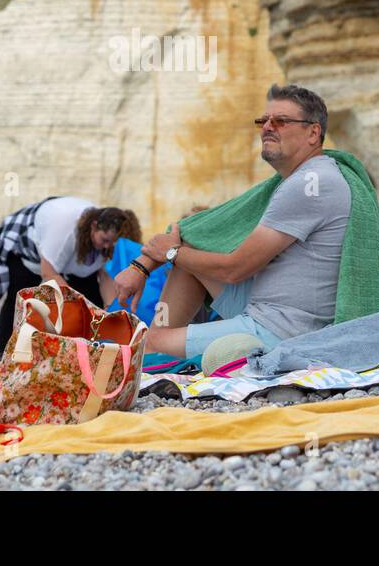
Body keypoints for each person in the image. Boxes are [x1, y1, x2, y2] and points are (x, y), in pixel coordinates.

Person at [113, 84, 352, 359]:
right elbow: (201, 231)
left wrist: (170, 254)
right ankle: (165, 345)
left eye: (281, 121)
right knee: (193, 248)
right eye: (264, 121)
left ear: (313, 132)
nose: (268, 127)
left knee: (151, 342)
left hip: (282, 329)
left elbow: (234, 270)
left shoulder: (310, 184)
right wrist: (142, 266)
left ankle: (159, 348)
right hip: (268, 305)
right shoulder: (308, 177)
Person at [0, 200, 140, 383]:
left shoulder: (101, 243)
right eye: (105, 240)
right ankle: (4, 355)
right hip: (26, 248)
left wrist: (110, 310)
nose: (107, 247)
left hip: (76, 251)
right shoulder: (63, 231)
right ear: (94, 226)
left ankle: (87, 352)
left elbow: (103, 278)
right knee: (21, 297)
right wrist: (77, 307)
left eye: (111, 243)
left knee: (91, 302)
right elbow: (48, 273)